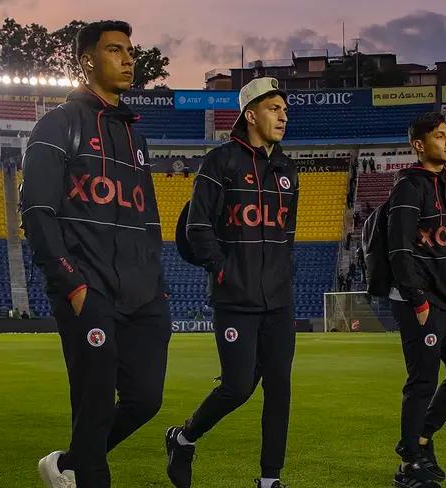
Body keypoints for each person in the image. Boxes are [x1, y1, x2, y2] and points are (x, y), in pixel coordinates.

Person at [21, 20, 171, 488]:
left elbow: (148, 220)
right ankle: (86, 475)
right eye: (115, 50)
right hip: (87, 288)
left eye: (130, 51)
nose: (129, 59)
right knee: (96, 401)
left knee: (146, 400)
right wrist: (74, 284)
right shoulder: (58, 124)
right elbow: (38, 211)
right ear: (87, 60)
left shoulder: (135, 138)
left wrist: (158, 286)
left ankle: (68, 464)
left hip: (144, 295)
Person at [165, 77, 298, 488]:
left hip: (279, 300)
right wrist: (223, 270)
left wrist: (281, 273)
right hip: (234, 298)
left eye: (285, 110)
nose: (283, 116)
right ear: (251, 114)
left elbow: (287, 233)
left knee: (279, 389)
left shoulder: (287, 171)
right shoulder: (219, 162)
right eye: (274, 108)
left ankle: (269, 479)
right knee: (239, 387)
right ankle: (183, 438)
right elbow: (198, 228)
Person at [386, 112, 446, 488]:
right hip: (418, 301)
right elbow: (399, 250)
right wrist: (419, 301)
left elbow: (445, 252)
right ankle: (410, 465)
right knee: (422, 381)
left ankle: (420, 438)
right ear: (419, 145)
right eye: (440, 136)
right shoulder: (409, 187)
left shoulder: (444, 186)